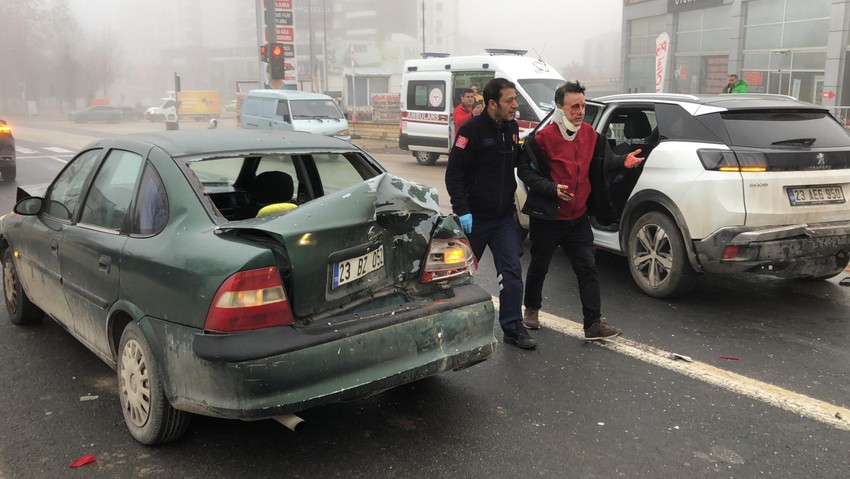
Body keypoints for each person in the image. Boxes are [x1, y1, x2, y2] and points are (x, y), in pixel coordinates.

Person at [517, 80, 643, 340]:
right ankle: (531, 309)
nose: (580, 110)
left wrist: (623, 162)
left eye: (583, 105)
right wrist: (551, 188)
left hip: (578, 218)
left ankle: (593, 323)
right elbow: (525, 171)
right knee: (539, 266)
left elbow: (604, 163)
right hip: (549, 218)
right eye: (574, 106)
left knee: (587, 269)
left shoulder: (591, 136)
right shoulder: (542, 139)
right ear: (560, 107)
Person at [445, 78, 537, 350]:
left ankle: (513, 327)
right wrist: (462, 210)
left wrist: (532, 159)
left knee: (511, 274)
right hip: (474, 219)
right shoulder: (471, 131)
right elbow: (454, 174)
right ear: (492, 103)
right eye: (510, 100)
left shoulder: (511, 128)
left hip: (502, 219)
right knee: (458, 275)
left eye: (514, 99)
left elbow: (516, 161)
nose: (515, 105)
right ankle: (450, 327)